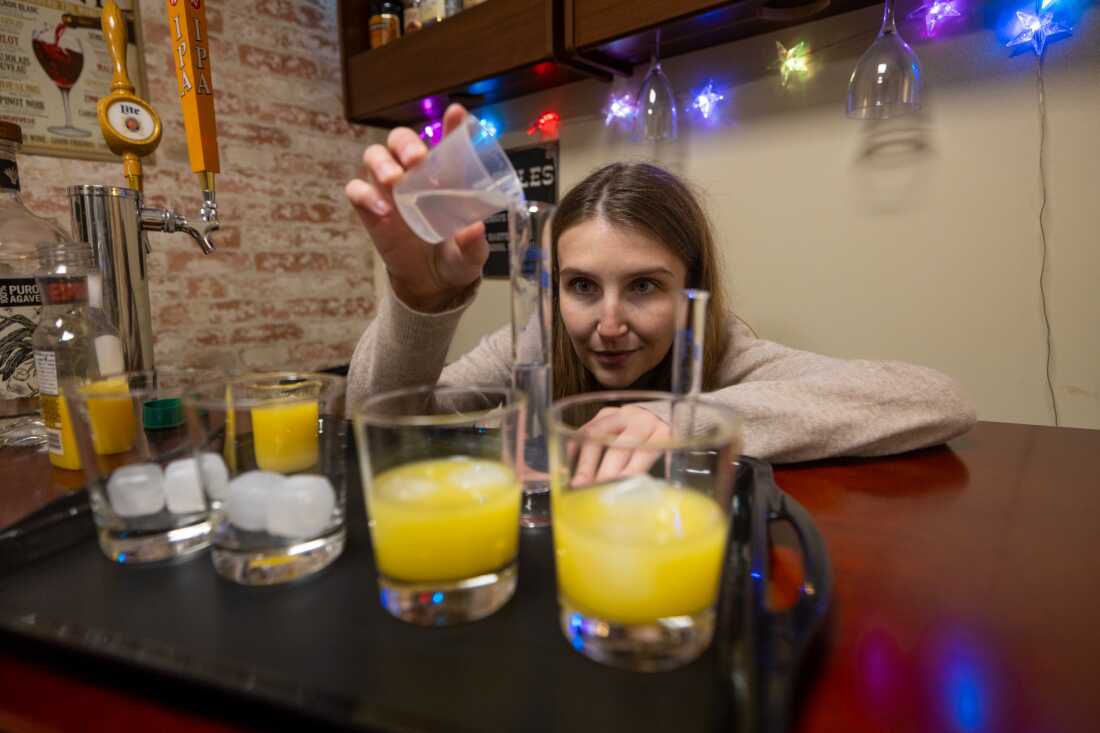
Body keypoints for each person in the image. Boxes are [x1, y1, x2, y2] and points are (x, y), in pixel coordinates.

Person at [344, 104, 975, 465]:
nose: (609, 324)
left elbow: (938, 399)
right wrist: (416, 296)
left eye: (645, 287)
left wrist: (685, 418)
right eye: (582, 286)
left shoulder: (726, 353)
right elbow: (382, 424)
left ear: (691, 290)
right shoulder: (534, 345)